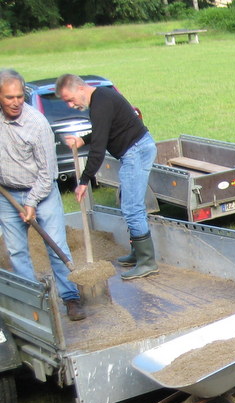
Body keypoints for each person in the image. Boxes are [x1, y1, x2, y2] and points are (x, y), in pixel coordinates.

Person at [0, 69, 85, 321]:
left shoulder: (37, 123)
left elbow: (48, 173)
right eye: (8, 98)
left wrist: (32, 203)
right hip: (7, 195)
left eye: (19, 97)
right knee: (16, 252)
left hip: (42, 192)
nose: (15, 102)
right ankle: (35, 304)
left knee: (56, 246)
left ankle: (70, 298)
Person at [55, 73, 158, 280]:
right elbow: (104, 130)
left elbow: (99, 149)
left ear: (80, 89)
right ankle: (138, 253)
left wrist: (84, 181)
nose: (70, 105)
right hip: (136, 149)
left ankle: (147, 262)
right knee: (130, 205)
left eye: (70, 99)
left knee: (132, 207)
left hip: (136, 151)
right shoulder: (100, 98)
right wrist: (83, 140)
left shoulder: (100, 104)